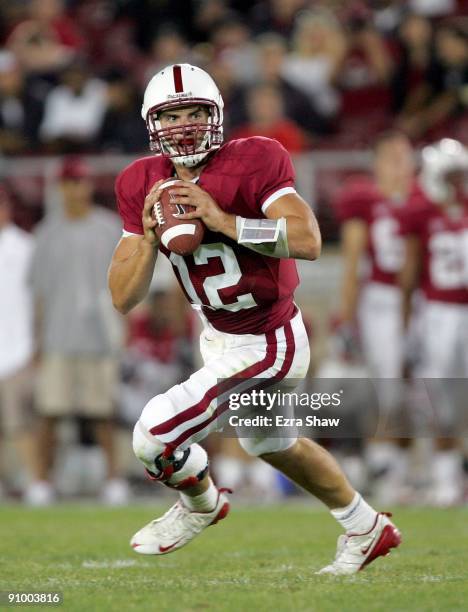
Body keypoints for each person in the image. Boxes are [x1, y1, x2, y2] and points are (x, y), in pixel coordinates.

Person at [108, 63, 401, 575]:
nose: (184, 126)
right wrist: (151, 238)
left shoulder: (255, 158)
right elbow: (121, 297)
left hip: (269, 338)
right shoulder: (140, 182)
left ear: (216, 115)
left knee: (152, 435)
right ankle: (367, 526)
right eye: (171, 116)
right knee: (273, 443)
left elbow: (308, 240)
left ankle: (201, 504)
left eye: (195, 113)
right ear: (152, 124)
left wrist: (221, 219)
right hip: (218, 335)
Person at [29, 156, 128, 505]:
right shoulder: (46, 233)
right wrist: (36, 341)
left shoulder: (107, 229)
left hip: (99, 338)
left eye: (81, 182)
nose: (76, 189)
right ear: (61, 187)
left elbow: (126, 283)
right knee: (49, 412)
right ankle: (42, 481)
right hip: (57, 336)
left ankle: (113, 480)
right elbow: (38, 293)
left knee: (102, 412)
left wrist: (122, 329)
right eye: (71, 182)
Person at [333, 131, 417, 502]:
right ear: (378, 163)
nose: (402, 166)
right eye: (393, 158)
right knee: (388, 387)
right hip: (381, 299)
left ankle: (407, 466)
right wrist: (346, 317)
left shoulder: (425, 199)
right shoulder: (365, 199)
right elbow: (352, 265)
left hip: (425, 301)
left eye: (406, 157)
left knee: (426, 388)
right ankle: (384, 467)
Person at [399, 138, 468, 506]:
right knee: (442, 396)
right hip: (439, 311)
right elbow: (410, 272)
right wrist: (407, 320)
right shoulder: (421, 211)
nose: (458, 182)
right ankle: (444, 476)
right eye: (452, 174)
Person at [0, 186, 38, 500]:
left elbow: (40, 300)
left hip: (17, 350)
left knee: (22, 425)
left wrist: (36, 345)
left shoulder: (26, 247)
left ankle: (34, 482)